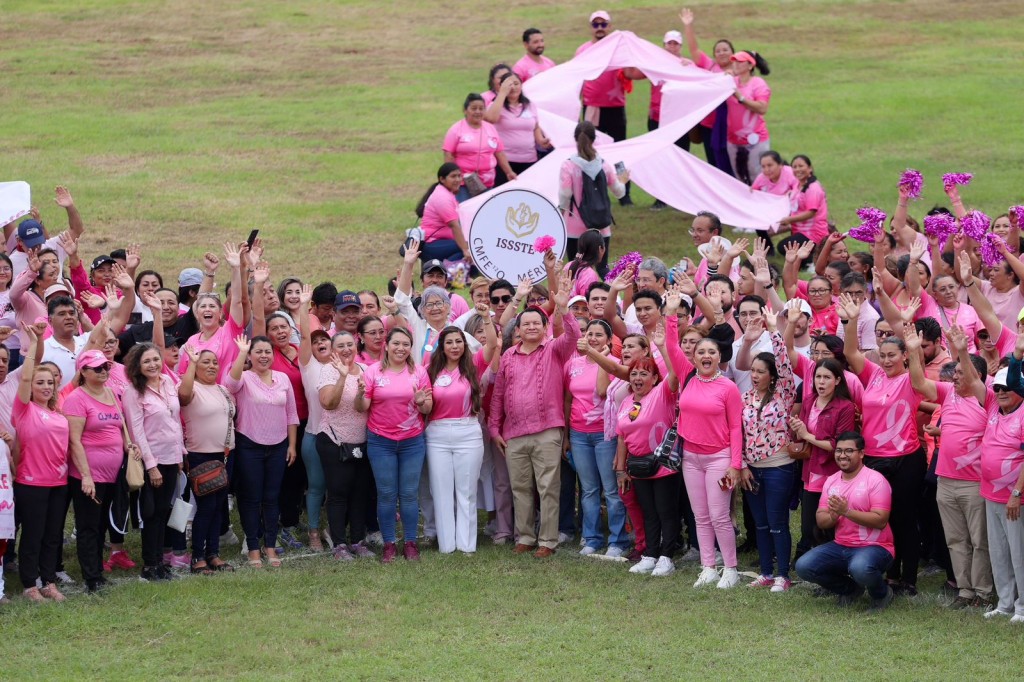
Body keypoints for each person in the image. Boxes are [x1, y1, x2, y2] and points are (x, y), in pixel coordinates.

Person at [840, 294, 927, 595]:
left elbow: (919, 373)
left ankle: (909, 580)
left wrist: (909, 335)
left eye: (893, 355)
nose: (887, 359)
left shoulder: (912, 380)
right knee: (881, 518)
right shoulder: (874, 375)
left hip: (906, 459)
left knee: (904, 518)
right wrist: (851, 320)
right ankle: (889, 573)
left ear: (903, 356)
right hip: (875, 460)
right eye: (884, 354)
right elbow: (850, 351)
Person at [489, 272, 578, 558]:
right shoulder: (508, 357)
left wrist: (563, 308)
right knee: (520, 488)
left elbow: (575, 337)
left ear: (544, 327)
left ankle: (547, 541)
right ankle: (525, 536)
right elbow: (499, 395)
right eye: (525, 323)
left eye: (535, 323)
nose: (529, 327)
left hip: (547, 430)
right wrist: (494, 429)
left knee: (548, 487)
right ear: (519, 327)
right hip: (514, 433)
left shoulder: (554, 349)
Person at [909, 323, 994, 607]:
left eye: (960, 372)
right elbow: (920, 384)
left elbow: (972, 377)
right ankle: (965, 591)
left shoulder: (987, 398)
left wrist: (961, 351)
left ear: (977, 375)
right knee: (956, 540)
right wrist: (912, 352)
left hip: (974, 482)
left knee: (979, 541)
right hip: (946, 479)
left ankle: (982, 593)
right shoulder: (949, 394)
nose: (955, 377)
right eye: (954, 373)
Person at [664, 293, 744, 589]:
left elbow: (736, 428)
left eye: (711, 352)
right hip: (691, 459)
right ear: (694, 358)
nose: (706, 356)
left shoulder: (728, 387)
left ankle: (731, 569)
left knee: (719, 515)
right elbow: (672, 346)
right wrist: (671, 315)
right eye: (700, 352)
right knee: (700, 516)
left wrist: (735, 465)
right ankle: (708, 566)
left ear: (719, 357)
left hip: (719, 459)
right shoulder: (687, 376)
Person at [355, 327, 432, 563]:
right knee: (386, 494)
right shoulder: (372, 371)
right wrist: (359, 394)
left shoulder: (418, 372)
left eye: (406, 344)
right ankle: (389, 543)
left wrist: (421, 403)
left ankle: (410, 542)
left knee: (409, 494)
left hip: (412, 441)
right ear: (386, 345)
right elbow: (362, 407)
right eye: (396, 343)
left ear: (411, 348)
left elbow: (428, 409)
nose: (401, 348)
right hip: (381, 442)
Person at [795, 432, 896, 611]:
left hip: (875, 546)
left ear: (862, 453)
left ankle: (881, 593)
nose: (842, 455)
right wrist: (834, 515)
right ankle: (850, 589)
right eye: (839, 450)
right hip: (842, 545)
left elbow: (880, 520)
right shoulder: (832, 481)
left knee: (860, 567)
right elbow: (821, 520)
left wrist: (846, 511)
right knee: (804, 566)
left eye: (849, 451)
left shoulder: (875, 480)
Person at [65, 349, 141, 585]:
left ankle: (96, 570)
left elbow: (118, 429)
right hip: (88, 474)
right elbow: (74, 440)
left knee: (101, 524)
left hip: (112, 474)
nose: (104, 371)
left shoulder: (112, 392)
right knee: (88, 526)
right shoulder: (76, 398)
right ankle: (91, 577)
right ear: (84, 372)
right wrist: (86, 476)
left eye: (106, 367)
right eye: (97, 368)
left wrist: (129, 446)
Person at [224, 334, 299, 569]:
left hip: (278, 445)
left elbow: (292, 414)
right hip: (249, 445)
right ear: (251, 355)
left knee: (271, 498)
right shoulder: (244, 378)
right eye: (259, 352)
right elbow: (229, 384)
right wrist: (242, 353)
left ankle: (270, 545)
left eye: (268, 352)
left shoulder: (283, 378)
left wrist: (292, 445)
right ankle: (253, 547)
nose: (264, 356)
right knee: (250, 498)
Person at [425, 315, 497, 554]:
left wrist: (487, 319)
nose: (455, 346)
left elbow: (493, 345)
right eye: (449, 342)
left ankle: (466, 544)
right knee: (442, 490)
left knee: (466, 492)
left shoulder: (473, 365)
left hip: (468, 431)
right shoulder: (430, 371)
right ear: (442, 347)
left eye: (459, 342)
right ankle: (446, 545)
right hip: (437, 434)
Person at [739, 308, 798, 592]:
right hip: (752, 469)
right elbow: (737, 433)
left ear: (772, 375)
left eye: (761, 371)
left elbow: (785, 363)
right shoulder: (745, 397)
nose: (755, 375)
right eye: (752, 371)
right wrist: (741, 464)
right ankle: (765, 572)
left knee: (777, 522)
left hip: (778, 467)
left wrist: (774, 329)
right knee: (760, 524)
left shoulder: (784, 393)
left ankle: (783, 575)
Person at [616, 326, 680, 577]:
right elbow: (622, 436)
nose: (638, 378)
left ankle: (667, 556)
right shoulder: (626, 401)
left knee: (666, 511)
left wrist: (663, 346)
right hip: (639, 466)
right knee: (649, 513)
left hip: (663, 465)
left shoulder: (662, 394)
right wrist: (621, 469)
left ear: (654, 378)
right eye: (634, 373)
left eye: (644, 373)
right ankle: (650, 554)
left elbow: (674, 373)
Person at [11, 326, 70, 600]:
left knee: (52, 536)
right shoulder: (24, 409)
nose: (46, 387)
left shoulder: (58, 412)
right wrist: (35, 344)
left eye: (50, 383)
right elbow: (25, 375)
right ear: (30, 386)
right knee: (33, 536)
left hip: (59, 483)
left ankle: (48, 581)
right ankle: (29, 585)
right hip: (31, 483)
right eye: (40, 382)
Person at [121, 342, 187, 576]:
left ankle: (160, 562)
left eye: (156, 359)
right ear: (137, 366)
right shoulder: (133, 392)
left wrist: (180, 455)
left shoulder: (168, 382)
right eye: (147, 361)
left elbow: (175, 420)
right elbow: (137, 431)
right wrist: (151, 467)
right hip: (153, 461)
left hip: (172, 458)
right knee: (152, 514)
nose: (153, 364)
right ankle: (150, 564)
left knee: (163, 512)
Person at [568, 319, 629, 558]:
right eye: (588, 333)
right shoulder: (573, 364)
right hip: (578, 433)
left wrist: (599, 356)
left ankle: (618, 540)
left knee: (612, 490)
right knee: (588, 489)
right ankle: (591, 538)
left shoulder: (614, 364)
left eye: (598, 335)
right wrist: (566, 436)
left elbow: (604, 393)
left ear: (609, 339)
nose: (592, 338)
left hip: (605, 434)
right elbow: (567, 398)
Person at [317, 331, 374, 561]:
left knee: (360, 493)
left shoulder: (364, 370)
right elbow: (329, 403)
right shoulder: (328, 370)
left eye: (349, 344)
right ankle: (339, 544)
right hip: (334, 439)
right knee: (338, 493)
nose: (346, 349)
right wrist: (342, 377)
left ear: (356, 345)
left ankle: (358, 541)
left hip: (361, 440)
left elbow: (362, 407)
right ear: (333, 349)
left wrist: (361, 393)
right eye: (340, 345)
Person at [178, 346, 235, 572]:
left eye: (214, 362)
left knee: (218, 507)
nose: (211, 366)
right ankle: (198, 556)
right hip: (200, 454)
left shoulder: (223, 390)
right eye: (205, 362)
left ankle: (213, 553)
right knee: (205, 507)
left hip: (225, 455)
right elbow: (183, 397)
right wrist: (191, 364)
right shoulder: (191, 388)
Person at [575, 10, 638, 206]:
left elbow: (630, 70)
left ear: (609, 26)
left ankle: (624, 194)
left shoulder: (618, 48)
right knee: (590, 151)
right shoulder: (584, 50)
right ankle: (594, 192)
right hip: (593, 107)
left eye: (603, 24)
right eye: (596, 25)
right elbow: (576, 78)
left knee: (619, 151)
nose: (600, 28)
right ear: (591, 28)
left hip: (615, 106)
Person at [980, 363, 1024, 621]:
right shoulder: (994, 407)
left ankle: (1022, 607)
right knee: (999, 553)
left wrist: (1016, 494)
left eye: (1006, 387)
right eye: (997, 388)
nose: (1000, 392)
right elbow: (975, 384)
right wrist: (961, 351)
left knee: (1019, 553)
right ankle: (1005, 603)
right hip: (990, 494)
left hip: (1014, 499)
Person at [558, 122, 628, 264]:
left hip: (574, 226)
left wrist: (562, 212)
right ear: (594, 139)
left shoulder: (568, 165)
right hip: (601, 227)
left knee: (574, 270)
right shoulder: (604, 165)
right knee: (603, 268)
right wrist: (623, 180)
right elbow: (619, 192)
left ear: (575, 139)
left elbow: (565, 194)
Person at [176, 242, 246, 381]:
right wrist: (210, 271)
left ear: (220, 313)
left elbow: (237, 301)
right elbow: (183, 375)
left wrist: (236, 268)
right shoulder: (191, 341)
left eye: (212, 306)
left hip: (227, 396)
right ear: (197, 314)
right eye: (203, 307)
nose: (207, 309)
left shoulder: (230, 331)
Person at [442, 94, 516, 201]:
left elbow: (499, 153)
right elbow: (448, 155)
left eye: (481, 108)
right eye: (473, 108)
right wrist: (451, 180)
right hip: (462, 183)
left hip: (487, 182)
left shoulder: (491, 129)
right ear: (465, 110)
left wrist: (509, 172)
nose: (478, 111)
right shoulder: (456, 130)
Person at [484, 72, 550, 185]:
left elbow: (535, 127)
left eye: (516, 83)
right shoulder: (496, 105)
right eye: (509, 84)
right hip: (505, 162)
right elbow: (490, 119)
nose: (513, 87)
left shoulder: (530, 105)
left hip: (529, 160)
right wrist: (502, 94)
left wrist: (542, 141)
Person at [725, 51, 771, 185]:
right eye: (734, 61)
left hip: (756, 139)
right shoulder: (730, 81)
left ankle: (761, 204)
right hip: (733, 139)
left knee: (757, 176)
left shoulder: (758, 83)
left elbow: (762, 108)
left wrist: (740, 97)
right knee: (739, 177)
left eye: (740, 61)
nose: (736, 64)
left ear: (750, 66)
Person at [414, 163, 472, 264]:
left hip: (441, 242)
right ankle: (445, 274)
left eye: (459, 176)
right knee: (467, 249)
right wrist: (465, 249)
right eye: (453, 176)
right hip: (432, 244)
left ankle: (446, 273)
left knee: (466, 251)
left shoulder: (447, 193)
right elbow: (454, 226)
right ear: (442, 179)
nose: (458, 179)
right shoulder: (442, 197)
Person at [776, 155, 829, 248]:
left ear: (810, 168)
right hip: (799, 231)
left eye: (801, 166)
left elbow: (811, 213)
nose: (797, 169)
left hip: (813, 234)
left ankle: (811, 258)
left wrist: (789, 220)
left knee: (783, 247)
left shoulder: (813, 188)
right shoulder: (798, 184)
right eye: (794, 167)